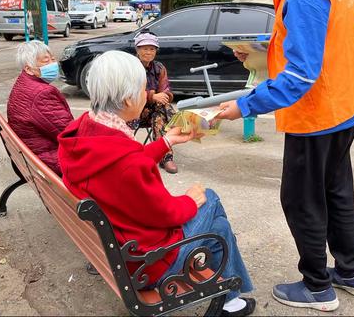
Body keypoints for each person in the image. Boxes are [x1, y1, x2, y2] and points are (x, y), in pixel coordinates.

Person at [217, 0, 354, 312]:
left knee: (300, 198)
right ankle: (350, 272)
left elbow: (300, 75)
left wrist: (244, 106)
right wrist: (262, 52)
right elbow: (314, 46)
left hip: (320, 112)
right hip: (345, 103)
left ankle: (317, 286)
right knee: (336, 188)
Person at [58, 51, 255, 317]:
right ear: (129, 99)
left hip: (117, 244)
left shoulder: (81, 132)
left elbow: (122, 165)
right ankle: (232, 296)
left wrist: (166, 142)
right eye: (144, 89)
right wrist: (191, 200)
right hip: (146, 263)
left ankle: (231, 300)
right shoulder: (127, 161)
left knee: (218, 227)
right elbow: (165, 214)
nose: (146, 93)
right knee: (211, 199)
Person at [7, 40, 73, 176]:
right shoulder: (42, 94)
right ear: (28, 69)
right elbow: (69, 134)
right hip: (50, 159)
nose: (53, 64)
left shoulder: (24, 83)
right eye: (45, 61)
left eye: (53, 59)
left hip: (35, 154)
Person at [128, 32, 178, 174]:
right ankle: (179, 125)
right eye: (145, 48)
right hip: (132, 113)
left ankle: (166, 158)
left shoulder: (159, 68)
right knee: (162, 109)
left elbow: (166, 89)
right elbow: (128, 94)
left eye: (152, 49)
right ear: (137, 49)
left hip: (153, 112)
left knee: (160, 113)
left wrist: (164, 96)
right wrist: (152, 96)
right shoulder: (130, 67)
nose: (148, 52)